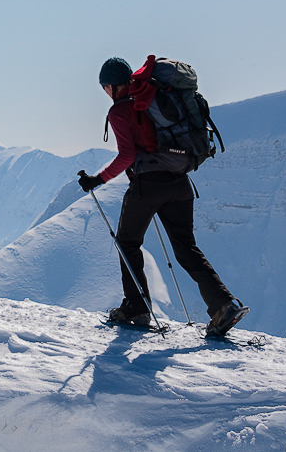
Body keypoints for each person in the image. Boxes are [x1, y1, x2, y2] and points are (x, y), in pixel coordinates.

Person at [77, 56, 246, 336]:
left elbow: (127, 155)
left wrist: (98, 179)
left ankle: (136, 307)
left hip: (149, 185)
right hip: (180, 183)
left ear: (110, 86)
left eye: (105, 88)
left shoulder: (120, 111)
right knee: (186, 248)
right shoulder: (153, 99)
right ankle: (224, 306)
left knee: (127, 242)